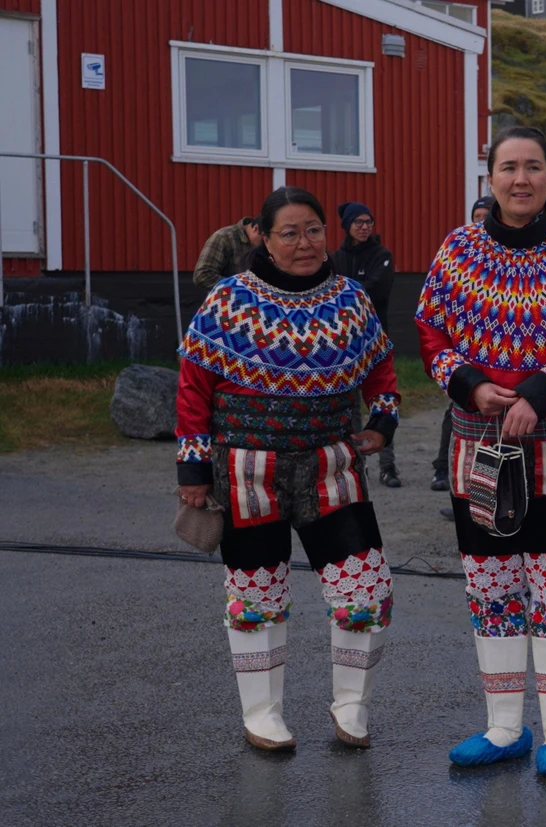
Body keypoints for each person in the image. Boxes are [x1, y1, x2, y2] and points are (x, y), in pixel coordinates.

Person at [416, 126, 546, 776]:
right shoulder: (457, 250)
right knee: (493, 587)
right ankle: (505, 728)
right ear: (490, 176)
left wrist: (539, 392)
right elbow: (430, 330)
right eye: (509, 167)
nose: (520, 178)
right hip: (479, 449)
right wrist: (469, 384)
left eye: (533, 166)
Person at [175, 186, 400, 752]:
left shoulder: (351, 299)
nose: (305, 243)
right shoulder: (227, 300)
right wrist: (193, 471)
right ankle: (263, 713)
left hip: (333, 468)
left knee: (366, 591)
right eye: (290, 233)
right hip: (248, 471)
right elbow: (193, 391)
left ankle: (352, 706)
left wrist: (383, 423)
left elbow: (382, 370)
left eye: (314, 230)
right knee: (256, 595)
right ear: (265, 240)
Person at [432, 197, 497, 507]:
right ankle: (469, 494)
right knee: (469, 433)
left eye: (486, 215)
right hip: (471, 382)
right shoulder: (458, 251)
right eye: (476, 216)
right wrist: (463, 378)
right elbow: (432, 325)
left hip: (532, 397)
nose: (480, 221)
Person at [334, 202, 401, 489]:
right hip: (341, 345)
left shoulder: (381, 255)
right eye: (359, 222)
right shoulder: (335, 258)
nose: (365, 227)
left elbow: (376, 290)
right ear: (347, 226)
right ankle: (353, 464)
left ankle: (388, 466)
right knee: (349, 409)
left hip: (374, 342)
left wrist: (346, 289)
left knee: (382, 405)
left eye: (368, 222)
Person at [193, 216, 261, 289]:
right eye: (265, 239)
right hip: (227, 298)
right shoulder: (223, 237)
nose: (267, 243)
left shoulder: (265, 243)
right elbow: (202, 275)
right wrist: (238, 287)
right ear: (256, 229)